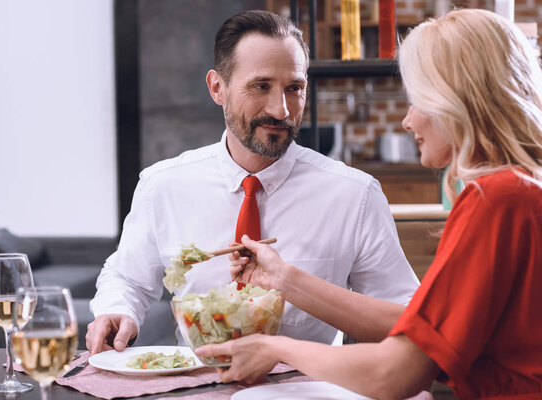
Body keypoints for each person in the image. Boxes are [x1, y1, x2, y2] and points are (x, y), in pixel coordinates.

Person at [196, 8, 542, 399]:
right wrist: (282, 279)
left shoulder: (497, 201)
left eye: (419, 99)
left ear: (460, 101)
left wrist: (272, 348)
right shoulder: (520, 191)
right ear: (217, 88)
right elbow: (418, 324)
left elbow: (396, 373)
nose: (407, 121)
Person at [86, 10, 419, 354]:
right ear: (218, 88)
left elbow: (407, 318)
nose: (281, 110)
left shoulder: (354, 195)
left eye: (294, 88)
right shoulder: (162, 186)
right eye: (261, 86)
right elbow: (127, 279)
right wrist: (117, 309)